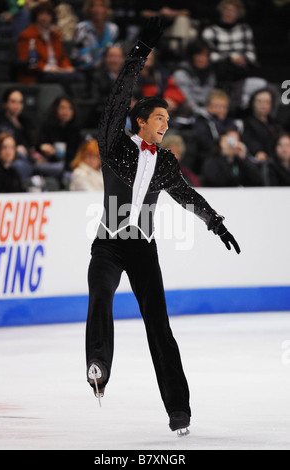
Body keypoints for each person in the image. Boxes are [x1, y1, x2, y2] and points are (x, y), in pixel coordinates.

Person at [85, 17, 240, 435]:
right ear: (140, 121)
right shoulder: (114, 146)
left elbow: (188, 195)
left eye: (167, 120)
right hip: (108, 242)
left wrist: (215, 222)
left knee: (159, 326)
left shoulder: (166, 162)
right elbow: (118, 97)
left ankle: (179, 410)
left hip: (142, 247)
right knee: (100, 295)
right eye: (159, 118)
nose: (165, 124)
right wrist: (138, 52)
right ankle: (98, 364)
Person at [17, 1, 82, 89]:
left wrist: (67, 67)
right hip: (38, 75)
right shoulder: (27, 35)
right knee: (66, 78)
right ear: (35, 16)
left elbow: (62, 57)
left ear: (52, 17)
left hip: (57, 72)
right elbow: (30, 62)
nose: (44, 18)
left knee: (79, 76)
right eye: (41, 14)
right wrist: (47, 68)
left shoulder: (55, 35)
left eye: (48, 14)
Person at [202, 0, 257, 83]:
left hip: (241, 68)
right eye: (226, 10)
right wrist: (229, 58)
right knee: (224, 68)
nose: (229, 13)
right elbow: (209, 55)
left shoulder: (245, 29)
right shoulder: (210, 31)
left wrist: (244, 58)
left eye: (233, 11)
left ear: (239, 14)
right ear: (221, 11)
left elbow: (251, 53)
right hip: (219, 67)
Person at [192, 88, 238, 174]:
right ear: (208, 107)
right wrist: (220, 143)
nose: (220, 110)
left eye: (224, 107)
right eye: (216, 106)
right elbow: (204, 143)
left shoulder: (231, 124)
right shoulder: (201, 121)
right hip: (207, 162)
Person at [71, 0, 119, 74]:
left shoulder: (113, 29)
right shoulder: (81, 28)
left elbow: (113, 51)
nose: (97, 9)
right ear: (89, 9)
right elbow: (81, 54)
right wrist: (96, 65)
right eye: (93, 6)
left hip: (105, 70)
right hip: (84, 68)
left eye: (101, 5)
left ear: (106, 9)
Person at [173, 38, 217, 117]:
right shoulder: (181, 74)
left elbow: (211, 96)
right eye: (199, 54)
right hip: (185, 116)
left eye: (206, 55)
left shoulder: (210, 73)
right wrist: (206, 112)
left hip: (206, 114)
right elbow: (187, 103)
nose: (203, 59)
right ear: (191, 56)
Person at [242, 87, 283, 164]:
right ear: (253, 103)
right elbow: (249, 139)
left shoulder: (275, 124)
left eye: (267, 102)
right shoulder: (248, 123)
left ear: (271, 105)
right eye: (259, 101)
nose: (263, 105)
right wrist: (258, 151)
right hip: (263, 162)